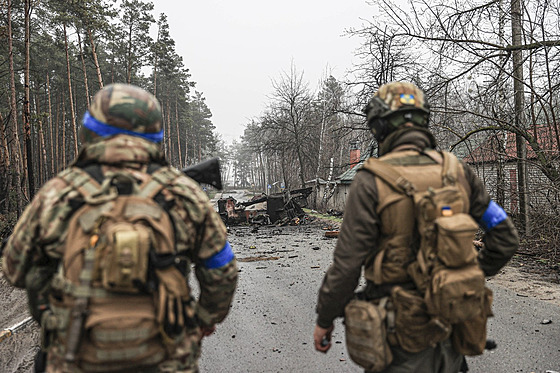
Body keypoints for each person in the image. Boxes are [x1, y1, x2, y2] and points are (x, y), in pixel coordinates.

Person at [2, 83, 238, 373]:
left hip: (74, 358)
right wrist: (203, 319)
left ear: (89, 131)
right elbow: (222, 269)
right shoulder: (184, 195)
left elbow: (14, 269)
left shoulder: (58, 193)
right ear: (156, 135)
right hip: (168, 359)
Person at [313, 81, 519, 372]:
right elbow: (505, 237)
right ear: (423, 120)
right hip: (453, 323)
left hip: (399, 334)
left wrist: (325, 319)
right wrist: (461, 280)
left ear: (381, 127)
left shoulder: (370, 181)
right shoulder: (457, 172)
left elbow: (346, 267)